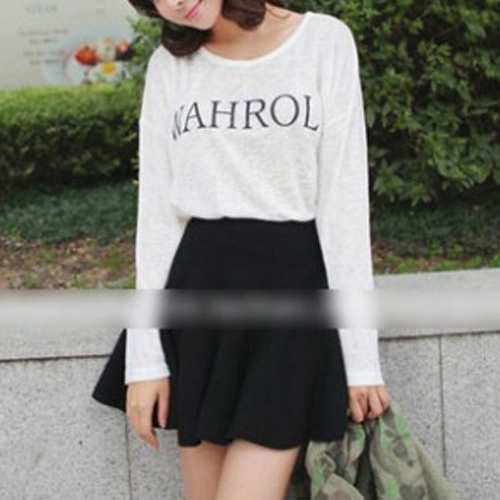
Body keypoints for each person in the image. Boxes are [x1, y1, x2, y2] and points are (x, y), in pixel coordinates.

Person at [92, 1, 390, 498]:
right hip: (197, 302)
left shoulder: (324, 41)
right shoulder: (170, 66)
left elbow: (343, 208)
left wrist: (360, 361)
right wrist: (145, 363)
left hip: (290, 302)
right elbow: (158, 220)